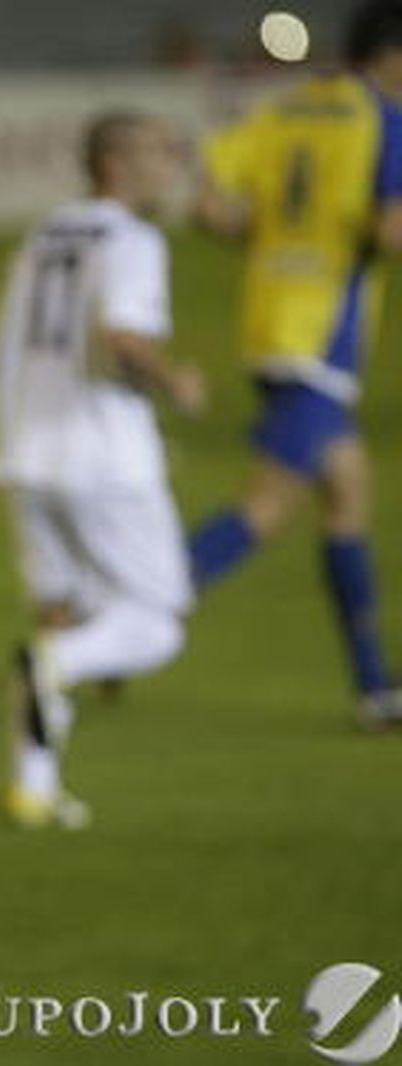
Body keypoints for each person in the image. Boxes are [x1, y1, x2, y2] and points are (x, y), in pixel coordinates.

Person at [0, 112, 207, 829]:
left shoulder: (44, 233)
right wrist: (178, 385)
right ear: (114, 163)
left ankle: (35, 787)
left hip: (24, 450)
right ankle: (61, 664)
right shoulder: (131, 239)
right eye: (156, 151)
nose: (170, 163)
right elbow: (123, 336)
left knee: (62, 608)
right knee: (158, 622)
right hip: (105, 456)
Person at [188, 0, 402, 728]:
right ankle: (137, 605)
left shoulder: (291, 109)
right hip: (319, 341)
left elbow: (210, 204)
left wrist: (274, 245)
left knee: (347, 490)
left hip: (271, 321)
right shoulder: (383, 117)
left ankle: (375, 687)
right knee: (270, 505)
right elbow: (391, 229)